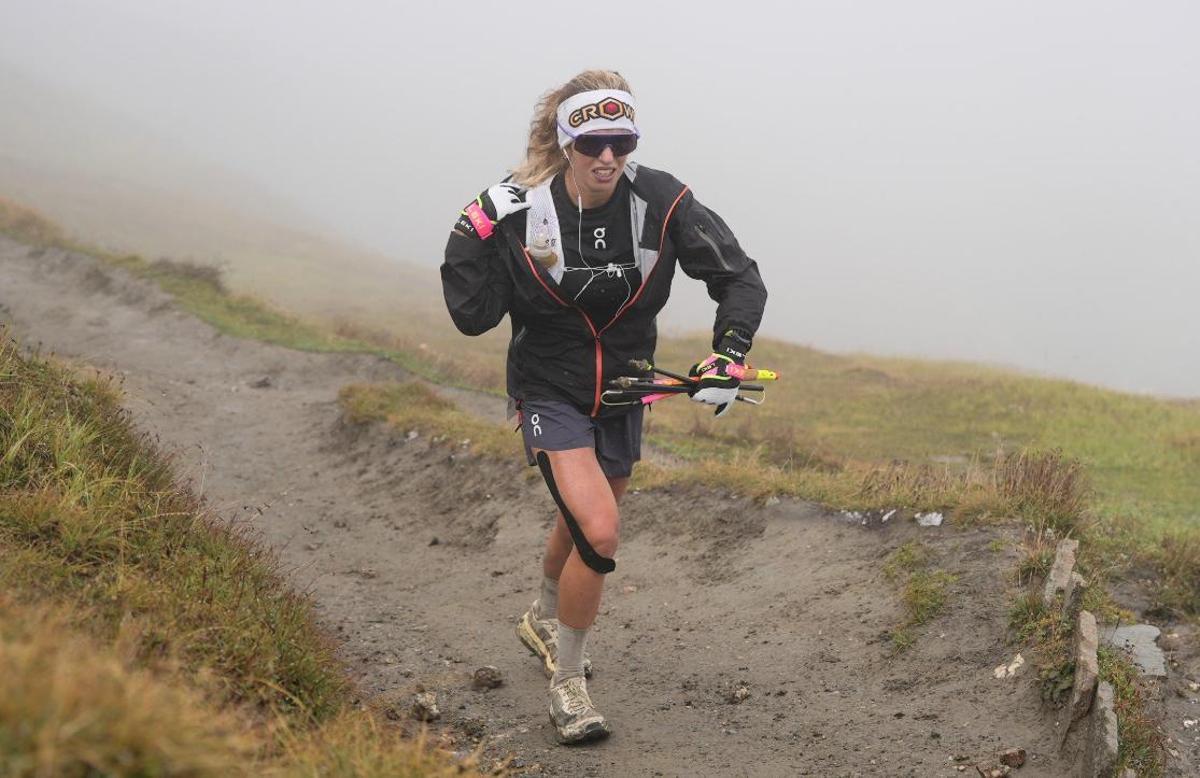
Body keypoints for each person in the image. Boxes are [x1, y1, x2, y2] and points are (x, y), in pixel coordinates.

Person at [440, 69, 767, 744]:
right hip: (547, 388)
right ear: (566, 144)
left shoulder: (664, 200)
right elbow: (471, 315)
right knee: (600, 528)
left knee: (588, 519)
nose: (608, 158)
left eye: (622, 141)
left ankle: (540, 612)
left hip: (626, 389)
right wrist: (470, 228)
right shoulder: (521, 208)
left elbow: (738, 277)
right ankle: (569, 681)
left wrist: (728, 355)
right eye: (593, 144)